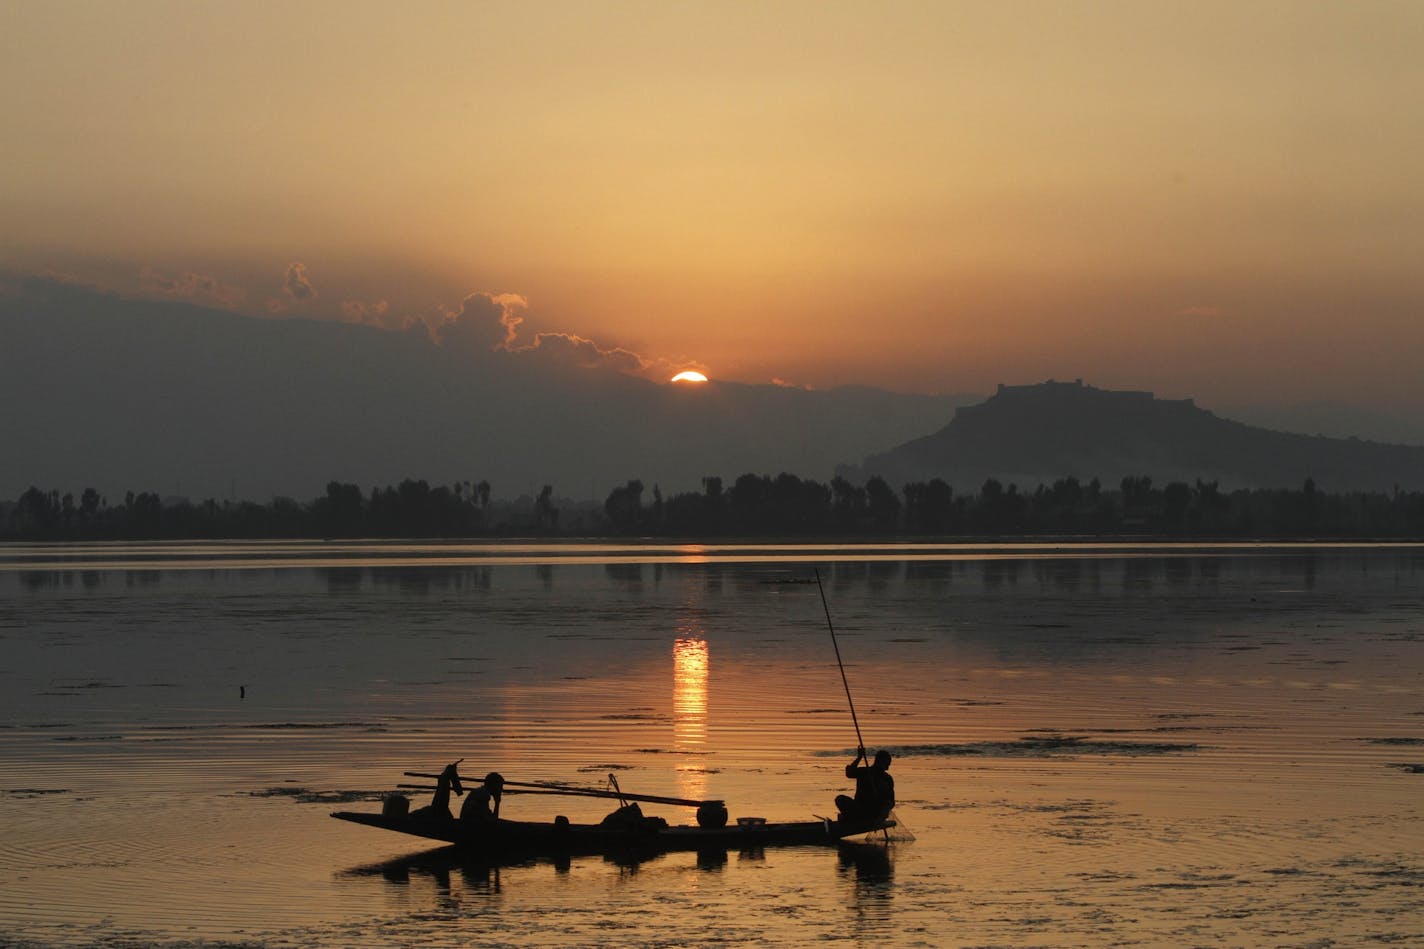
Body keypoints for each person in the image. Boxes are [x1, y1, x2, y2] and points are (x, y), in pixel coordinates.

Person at [835, 747, 894, 824]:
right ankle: (852, 818)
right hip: (859, 809)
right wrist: (859, 757)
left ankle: (851, 818)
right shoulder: (865, 772)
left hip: (873, 812)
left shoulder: (887, 779)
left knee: (885, 804)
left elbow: (891, 801)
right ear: (879, 762)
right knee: (840, 799)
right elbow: (850, 773)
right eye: (886, 764)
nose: (887, 768)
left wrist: (882, 814)